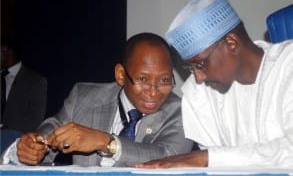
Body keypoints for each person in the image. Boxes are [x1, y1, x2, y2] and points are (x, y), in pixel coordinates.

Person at [136, 0, 293, 168]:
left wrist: (207, 158)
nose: (198, 78)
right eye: (191, 68)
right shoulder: (198, 91)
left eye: (200, 64)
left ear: (232, 43)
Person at [1, 32, 193, 167]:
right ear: (120, 74)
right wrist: (32, 147)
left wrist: (106, 142)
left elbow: (167, 156)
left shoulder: (179, 111)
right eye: (143, 79)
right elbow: (52, 130)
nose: (154, 91)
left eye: (165, 80)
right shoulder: (84, 97)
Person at [1, 35, 47, 133]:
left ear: (6, 51)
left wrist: (5, 131)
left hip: (16, 141)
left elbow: (36, 120)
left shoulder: (36, 81)